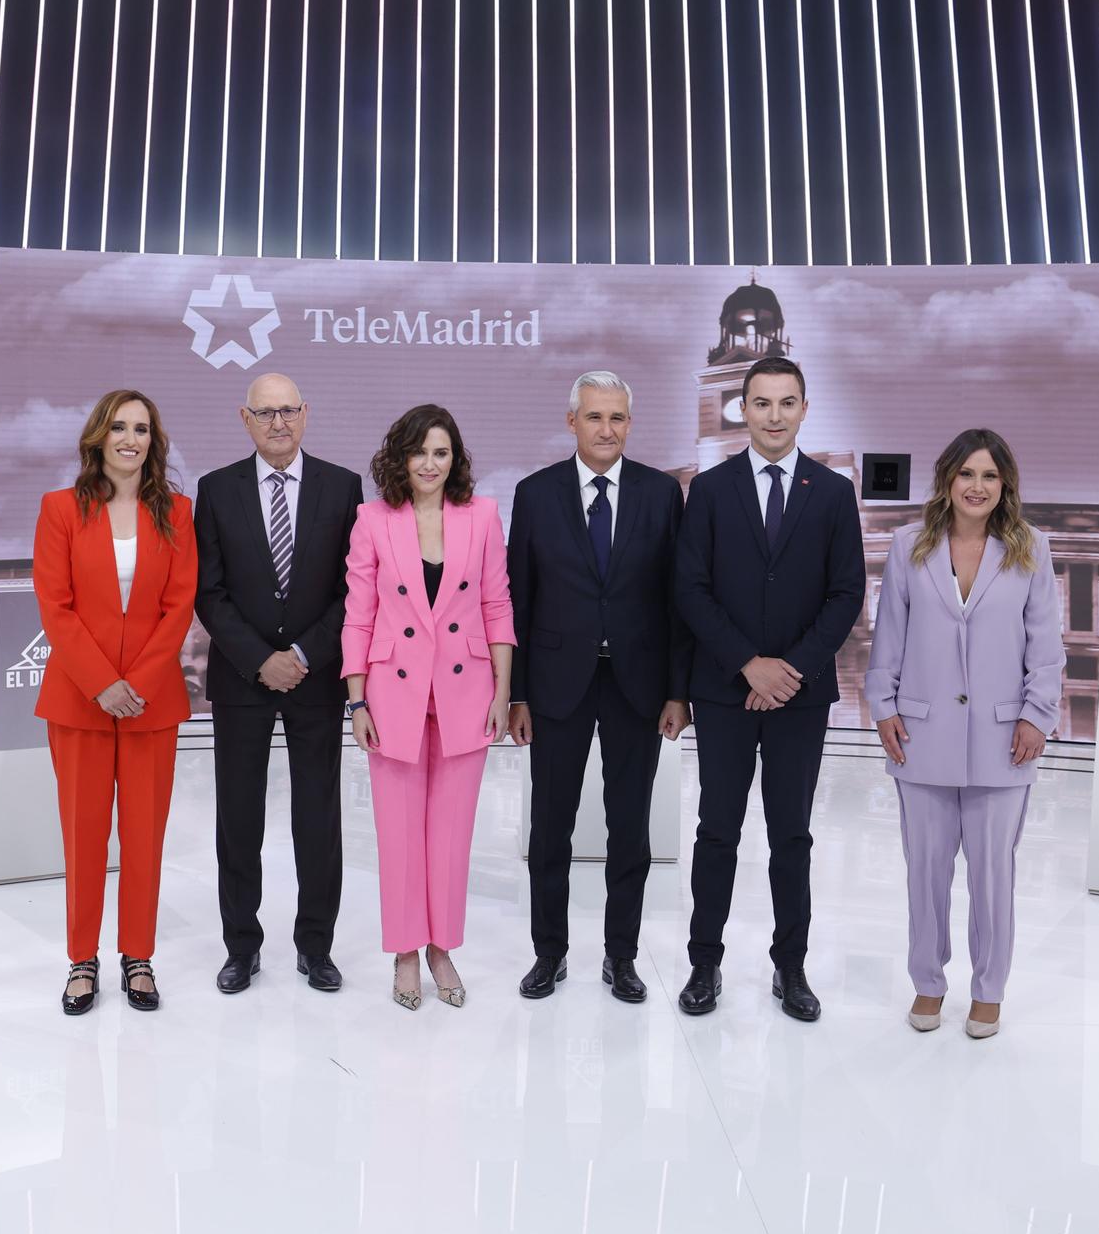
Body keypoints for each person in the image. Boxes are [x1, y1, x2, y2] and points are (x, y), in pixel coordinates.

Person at [673, 354, 865, 1020]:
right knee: (716, 831)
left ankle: (791, 967)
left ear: (805, 408)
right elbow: (690, 588)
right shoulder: (711, 487)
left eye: (787, 403)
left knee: (793, 836)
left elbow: (847, 594)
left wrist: (790, 670)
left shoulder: (833, 493)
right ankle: (704, 964)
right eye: (762, 403)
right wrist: (746, 664)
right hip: (726, 691)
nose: (775, 415)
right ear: (744, 409)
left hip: (800, 697)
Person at [865, 429, 1063, 1039]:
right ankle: (928, 982)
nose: (978, 487)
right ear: (947, 479)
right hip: (920, 735)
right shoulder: (909, 546)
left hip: (1005, 741)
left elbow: (1046, 644)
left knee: (991, 875)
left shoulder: (1030, 548)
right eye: (967, 474)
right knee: (924, 871)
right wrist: (882, 705)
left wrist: (1037, 714)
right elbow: (889, 632)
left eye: (990, 476)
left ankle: (989, 990)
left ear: (1005, 486)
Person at [506, 371, 691, 1003]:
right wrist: (518, 694)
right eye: (594, 417)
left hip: (637, 686)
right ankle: (549, 953)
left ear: (630, 424)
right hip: (557, 685)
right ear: (572, 421)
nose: (606, 429)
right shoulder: (535, 495)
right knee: (550, 828)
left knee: (629, 829)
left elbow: (676, 600)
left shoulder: (663, 494)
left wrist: (677, 691)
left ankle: (622, 956)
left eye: (617, 418)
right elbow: (519, 602)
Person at [194, 373, 364, 994]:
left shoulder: (343, 487)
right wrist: (260, 659)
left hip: (314, 679)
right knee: (239, 818)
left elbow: (354, 589)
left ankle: (315, 946)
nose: (278, 423)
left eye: (288, 410)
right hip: (242, 679)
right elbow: (208, 592)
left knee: (317, 818)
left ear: (306, 413)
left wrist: (302, 654)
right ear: (245, 419)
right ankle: (241, 946)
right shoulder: (215, 490)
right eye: (264, 413)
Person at [341, 405, 514, 1011]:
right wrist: (356, 697)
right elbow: (358, 615)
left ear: (455, 459)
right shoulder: (372, 520)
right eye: (419, 452)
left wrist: (503, 690)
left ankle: (443, 947)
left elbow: (498, 607)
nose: (430, 463)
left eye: (441, 452)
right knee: (399, 833)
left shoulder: (484, 516)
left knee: (451, 834)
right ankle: (406, 952)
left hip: (466, 694)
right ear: (400, 458)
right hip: (393, 695)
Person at [33, 390, 198, 1015]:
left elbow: (179, 606)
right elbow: (57, 605)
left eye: (143, 429)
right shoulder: (60, 509)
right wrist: (102, 681)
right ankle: (81, 959)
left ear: (153, 442)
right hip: (80, 701)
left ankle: (138, 956)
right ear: (99, 435)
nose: (131, 439)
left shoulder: (176, 513)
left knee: (144, 836)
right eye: (120, 427)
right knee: (83, 836)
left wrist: (143, 681)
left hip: (151, 704)